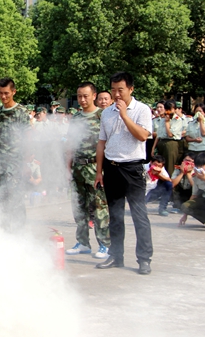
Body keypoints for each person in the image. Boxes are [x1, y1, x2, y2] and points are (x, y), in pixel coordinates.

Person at [95, 72, 153, 275]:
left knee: (139, 215)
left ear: (131, 89)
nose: (116, 94)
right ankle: (116, 256)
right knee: (115, 216)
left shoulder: (142, 110)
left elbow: (143, 136)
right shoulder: (106, 112)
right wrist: (99, 171)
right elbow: (102, 142)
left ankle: (144, 259)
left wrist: (125, 115)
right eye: (113, 90)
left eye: (120, 90)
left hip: (133, 168)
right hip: (112, 168)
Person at [66, 82, 110, 259]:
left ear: (94, 96)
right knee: (78, 206)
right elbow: (70, 143)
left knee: (99, 206)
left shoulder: (102, 116)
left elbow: (108, 144)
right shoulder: (76, 118)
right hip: (78, 166)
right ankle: (83, 242)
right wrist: (67, 165)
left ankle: (105, 244)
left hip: (95, 167)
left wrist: (102, 170)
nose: (82, 100)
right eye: (79, 96)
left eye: (85, 96)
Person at [0, 78, 30, 230]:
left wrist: (26, 163)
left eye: (6, 93)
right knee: (0, 197)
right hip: (0, 162)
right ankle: (4, 232)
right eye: (0, 93)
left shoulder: (21, 112)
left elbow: (27, 138)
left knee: (16, 198)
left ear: (14, 92)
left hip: (16, 163)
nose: (3, 97)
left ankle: (19, 233)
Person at [152, 100, 184, 176]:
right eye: (167, 109)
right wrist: (153, 148)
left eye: (170, 109)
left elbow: (170, 134)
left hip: (171, 144)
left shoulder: (177, 120)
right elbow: (158, 135)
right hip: (161, 143)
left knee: (169, 167)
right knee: (159, 166)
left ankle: (169, 184)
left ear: (175, 109)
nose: (168, 111)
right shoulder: (162, 119)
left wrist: (167, 122)